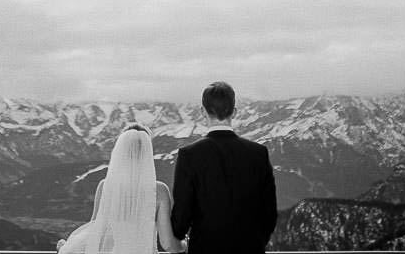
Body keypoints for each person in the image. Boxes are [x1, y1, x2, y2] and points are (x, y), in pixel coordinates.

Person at [171, 81, 277, 254]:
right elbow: (269, 214)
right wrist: (254, 242)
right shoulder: (258, 153)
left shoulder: (189, 155)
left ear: (202, 112)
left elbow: (181, 218)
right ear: (234, 112)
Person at [57, 123, 186, 254]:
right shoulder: (159, 191)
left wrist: (67, 247)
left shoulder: (105, 186)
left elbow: (95, 232)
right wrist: (184, 245)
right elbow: (168, 244)